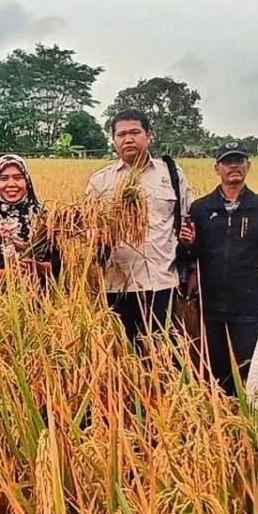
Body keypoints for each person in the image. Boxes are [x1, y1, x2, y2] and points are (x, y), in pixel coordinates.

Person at [180, 141, 258, 395]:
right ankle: (220, 419)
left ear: (248, 166)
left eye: (239, 161)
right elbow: (191, 255)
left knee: (249, 366)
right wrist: (187, 243)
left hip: (248, 303)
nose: (234, 166)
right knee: (217, 368)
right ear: (217, 169)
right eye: (228, 162)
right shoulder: (202, 208)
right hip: (211, 303)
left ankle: (249, 415)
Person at [86, 110, 193, 344]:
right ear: (113, 140)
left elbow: (187, 219)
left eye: (135, 132)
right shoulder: (100, 182)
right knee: (124, 353)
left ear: (149, 135)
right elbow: (88, 231)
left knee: (162, 353)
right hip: (117, 284)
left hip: (162, 281)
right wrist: (98, 238)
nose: (128, 139)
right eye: (121, 134)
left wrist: (189, 239)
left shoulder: (172, 176)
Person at [0, 155, 59, 282]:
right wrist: (3, 275)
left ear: (27, 181)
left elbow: (59, 261)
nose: (11, 184)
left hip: (38, 297)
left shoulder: (43, 217)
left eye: (18, 178)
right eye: (4, 178)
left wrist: (40, 268)